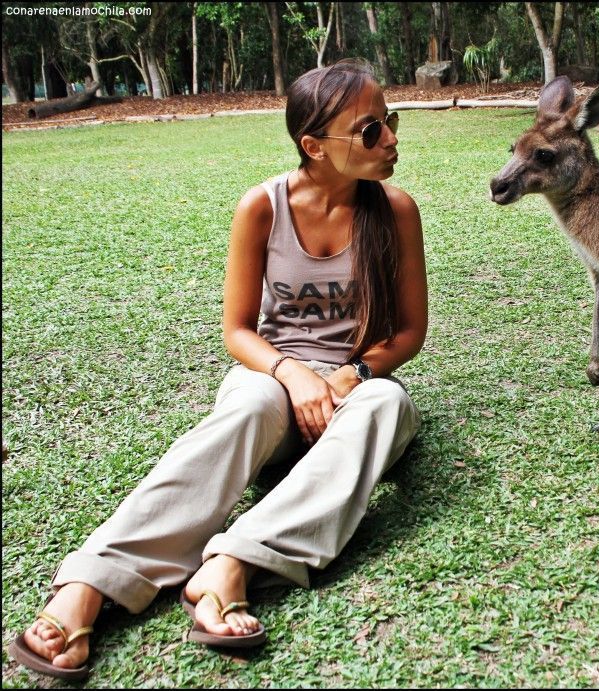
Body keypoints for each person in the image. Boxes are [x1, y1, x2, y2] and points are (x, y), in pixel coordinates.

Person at [9, 59, 427, 681]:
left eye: (389, 122)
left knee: (389, 406)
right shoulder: (262, 207)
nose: (391, 139)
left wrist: (349, 375)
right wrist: (292, 373)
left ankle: (231, 563)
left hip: (350, 391)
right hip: (273, 380)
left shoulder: (395, 209)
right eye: (371, 130)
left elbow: (409, 333)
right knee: (253, 406)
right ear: (313, 146)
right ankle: (92, 581)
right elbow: (238, 330)